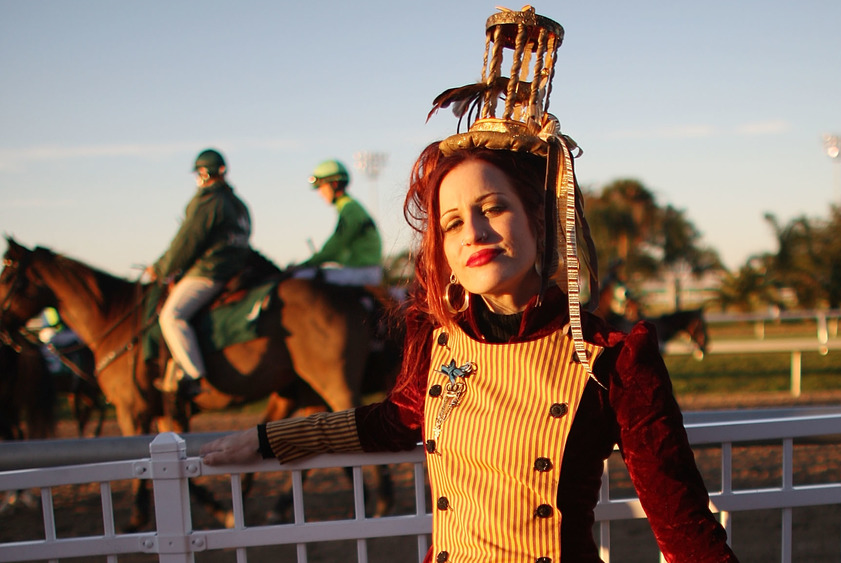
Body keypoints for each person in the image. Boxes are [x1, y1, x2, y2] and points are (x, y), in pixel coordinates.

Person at [202, 7, 738, 562]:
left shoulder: (613, 360)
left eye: (493, 209)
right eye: (452, 222)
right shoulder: (437, 338)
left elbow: (686, 531)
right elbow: (395, 419)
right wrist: (270, 440)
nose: (473, 234)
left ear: (539, 221)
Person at [146, 148, 251, 394]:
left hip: (209, 272)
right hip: (235, 270)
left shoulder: (208, 201)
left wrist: (162, 269)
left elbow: (187, 242)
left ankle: (192, 375)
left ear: (203, 173)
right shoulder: (238, 204)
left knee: (171, 316)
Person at [294, 159, 383, 287]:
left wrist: (307, 264)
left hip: (361, 272)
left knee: (300, 276)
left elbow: (335, 246)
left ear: (334, 184)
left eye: (321, 187)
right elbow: (340, 251)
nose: (320, 194)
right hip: (363, 269)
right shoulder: (350, 207)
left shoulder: (349, 209)